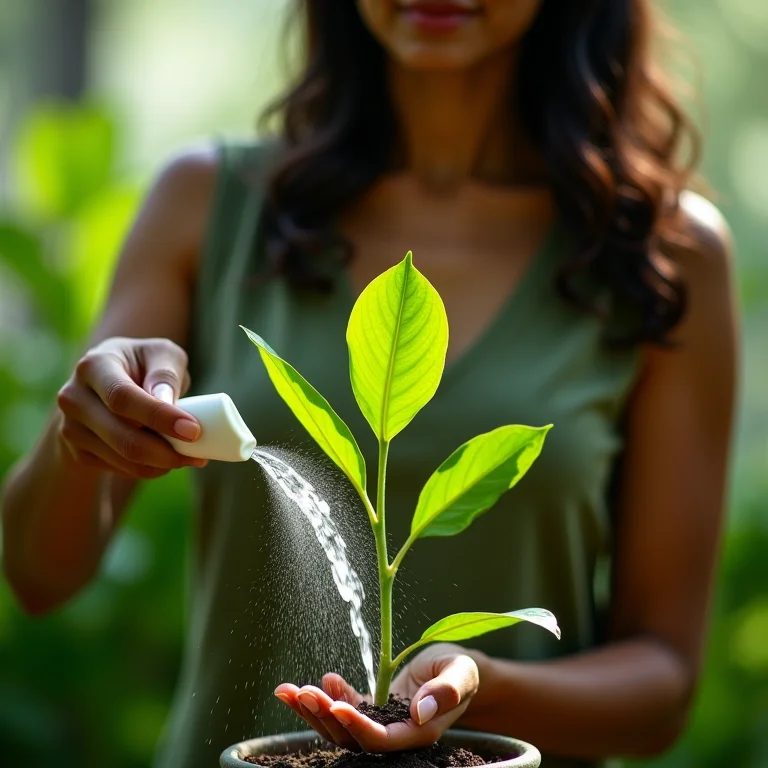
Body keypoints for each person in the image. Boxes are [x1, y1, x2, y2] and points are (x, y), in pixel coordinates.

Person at [1, 1, 738, 767]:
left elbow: (664, 683)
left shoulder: (664, 254)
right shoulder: (210, 203)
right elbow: (39, 575)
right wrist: (81, 439)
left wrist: (478, 683)